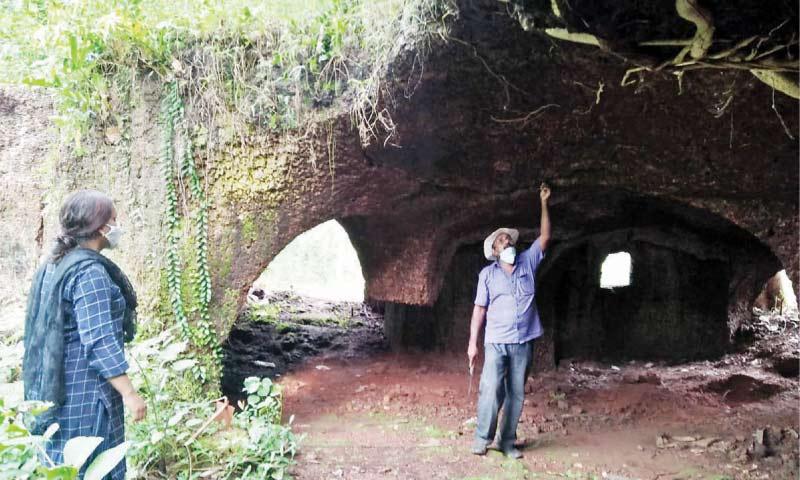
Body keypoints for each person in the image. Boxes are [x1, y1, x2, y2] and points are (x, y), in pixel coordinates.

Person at [23, 190, 147, 479]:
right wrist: (130, 394)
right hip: (88, 395)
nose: (118, 226)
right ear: (101, 227)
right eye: (114, 219)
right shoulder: (89, 274)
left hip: (54, 388)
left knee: (64, 466)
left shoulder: (54, 264)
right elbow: (100, 341)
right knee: (94, 466)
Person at [468, 184, 551, 459]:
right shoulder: (487, 275)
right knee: (490, 390)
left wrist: (543, 203)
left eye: (508, 239)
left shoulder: (527, 262)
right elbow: (479, 310)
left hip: (524, 340)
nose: (507, 242)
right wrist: (472, 345)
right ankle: (482, 439)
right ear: (494, 250)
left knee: (516, 394)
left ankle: (507, 442)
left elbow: (546, 236)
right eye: (502, 240)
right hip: (495, 342)